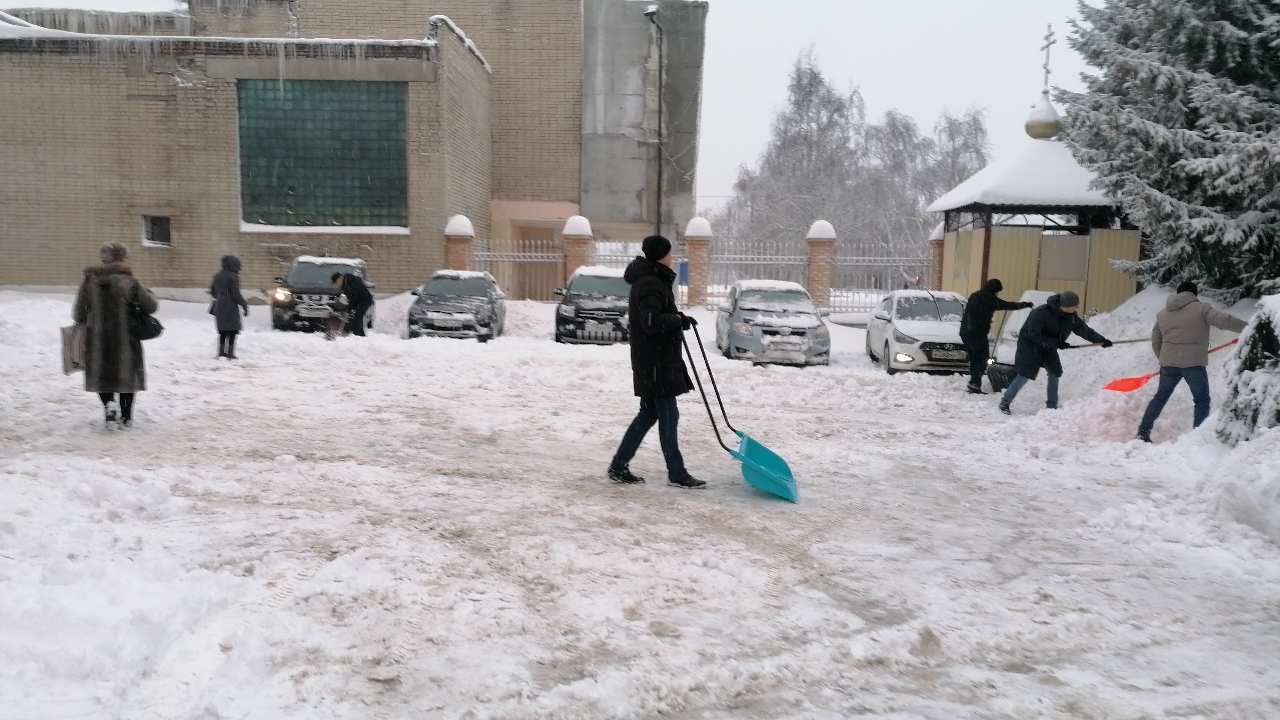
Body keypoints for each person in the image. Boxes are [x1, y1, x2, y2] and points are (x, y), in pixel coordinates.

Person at [607, 235, 706, 489]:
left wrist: (678, 317)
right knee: (668, 415)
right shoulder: (651, 282)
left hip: (652, 359)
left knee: (649, 414)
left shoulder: (652, 279)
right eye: (669, 253)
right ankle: (677, 473)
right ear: (660, 255)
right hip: (656, 362)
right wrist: (677, 320)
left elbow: (656, 314)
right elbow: (650, 322)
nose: (672, 257)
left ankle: (619, 465)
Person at [1136, 281, 1247, 442]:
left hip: (1169, 365)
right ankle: (1197, 439)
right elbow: (1225, 321)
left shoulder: (1163, 314)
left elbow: (1156, 341)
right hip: (1193, 365)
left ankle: (1142, 432)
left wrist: (1165, 358)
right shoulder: (1202, 309)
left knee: (1160, 397)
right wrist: (1249, 327)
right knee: (1201, 400)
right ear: (1194, 294)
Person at [73, 241, 158, 430]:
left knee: (102, 375)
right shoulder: (129, 282)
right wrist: (146, 292)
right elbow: (152, 306)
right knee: (127, 376)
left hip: (97, 338)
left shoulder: (89, 281)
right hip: (125, 337)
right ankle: (126, 418)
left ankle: (109, 406)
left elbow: (78, 313)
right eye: (127, 256)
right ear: (121, 258)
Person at [999, 291, 1112, 415]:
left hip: (1048, 348)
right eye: (1075, 305)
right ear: (1066, 306)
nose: (1077, 308)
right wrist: (1057, 343)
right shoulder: (1041, 313)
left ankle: (1051, 406)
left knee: (1054, 373)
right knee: (1024, 374)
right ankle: (1005, 402)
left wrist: (1101, 341)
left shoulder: (1070, 316)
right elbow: (1033, 334)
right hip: (1030, 347)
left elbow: (1084, 330)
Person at [959, 278, 1033, 394]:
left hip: (965, 332)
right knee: (983, 359)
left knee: (975, 359)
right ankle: (974, 384)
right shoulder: (989, 298)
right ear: (994, 290)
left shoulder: (975, 295)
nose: (998, 294)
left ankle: (973, 383)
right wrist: (1024, 305)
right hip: (977, 334)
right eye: (998, 291)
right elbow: (1006, 305)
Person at [210, 255, 249, 359]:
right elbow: (236, 294)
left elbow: (213, 291)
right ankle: (230, 353)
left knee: (223, 330)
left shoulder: (218, 276)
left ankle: (221, 352)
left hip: (219, 305)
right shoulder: (233, 276)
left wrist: (220, 297)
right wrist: (244, 305)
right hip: (230, 306)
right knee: (232, 330)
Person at [331, 271, 373, 337]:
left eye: (336, 283)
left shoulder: (350, 282)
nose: (337, 285)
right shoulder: (346, 284)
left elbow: (353, 297)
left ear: (339, 279)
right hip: (359, 301)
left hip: (364, 300)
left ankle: (359, 335)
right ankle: (356, 333)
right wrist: (348, 307)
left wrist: (349, 307)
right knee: (353, 317)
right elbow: (351, 298)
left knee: (356, 317)